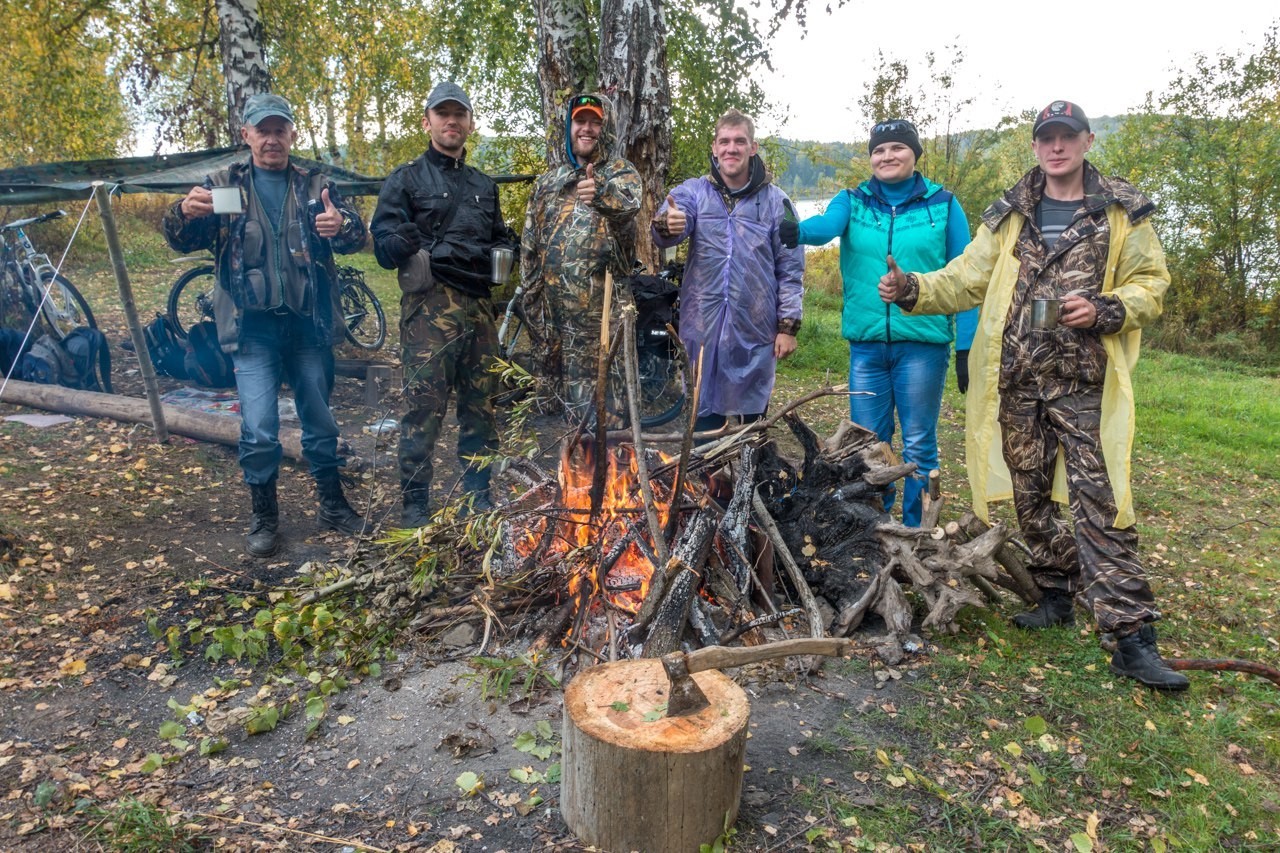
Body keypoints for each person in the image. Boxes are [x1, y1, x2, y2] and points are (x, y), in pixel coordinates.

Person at [878, 100, 1187, 690]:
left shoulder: (1120, 210)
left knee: (1101, 502)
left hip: (1083, 381)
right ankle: (1055, 591)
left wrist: (1107, 308)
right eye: (1047, 138)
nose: (1056, 147)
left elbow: (1152, 283)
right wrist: (912, 288)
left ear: (1087, 141)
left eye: (1067, 137)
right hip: (1017, 379)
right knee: (1030, 493)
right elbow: (966, 277)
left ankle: (1130, 636)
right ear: (1036, 146)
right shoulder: (1012, 212)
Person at [162, 93, 369, 559]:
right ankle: (265, 517)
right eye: (263, 130)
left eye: (281, 129)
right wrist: (183, 212)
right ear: (247, 135)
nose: (272, 138)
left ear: (293, 134)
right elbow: (180, 239)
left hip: (308, 325)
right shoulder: (221, 184)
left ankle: (333, 506)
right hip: (251, 328)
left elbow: (356, 236)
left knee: (320, 421)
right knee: (258, 425)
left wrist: (344, 224)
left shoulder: (317, 183)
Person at [785, 118, 977, 527]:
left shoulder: (943, 204)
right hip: (867, 348)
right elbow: (825, 228)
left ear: (915, 154)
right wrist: (794, 231)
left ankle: (916, 530)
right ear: (871, 157)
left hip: (923, 347)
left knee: (920, 443)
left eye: (897, 148)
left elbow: (968, 278)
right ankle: (872, 528)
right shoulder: (853, 200)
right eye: (879, 150)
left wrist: (966, 346)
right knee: (867, 445)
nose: (887, 156)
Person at [370, 81, 518, 527]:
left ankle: (478, 495)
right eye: (443, 114)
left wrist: (509, 245)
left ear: (470, 124)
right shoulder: (407, 178)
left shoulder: (483, 186)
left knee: (482, 406)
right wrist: (397, 242)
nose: (451, 121)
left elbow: (497, 239)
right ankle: (416, 502)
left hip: (479, 309)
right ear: (427, 121)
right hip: (429, 309)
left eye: (460, 114)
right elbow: (382, 245)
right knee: (422, 409)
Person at [651, 109, 804, 432]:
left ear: (753, 147)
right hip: (702, 327)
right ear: (714, 147)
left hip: (756, 331)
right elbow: (672, 219)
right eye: (724, 141)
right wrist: (668, 223)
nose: (731, 148)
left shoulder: (778, 203)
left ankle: (751, 479)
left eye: (739, 141)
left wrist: (788, 326)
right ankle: (709, 481)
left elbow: (791, 269)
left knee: (752, 428)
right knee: (704, 421)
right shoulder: (693, 193)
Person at [519, 93, 642, 420]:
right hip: (553, 332)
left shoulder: (620, 174)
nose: (586, 129)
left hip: (600, 333)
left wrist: (600, 195)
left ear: (608, 127)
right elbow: (529, 251)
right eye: (580, 121)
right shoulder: (549, 182)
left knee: (604, 430)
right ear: (568, 126)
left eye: (596, 122)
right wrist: (534, 315)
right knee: (560, 430)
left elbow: (629, 205)